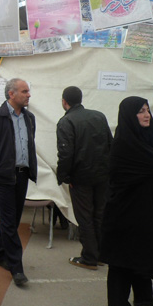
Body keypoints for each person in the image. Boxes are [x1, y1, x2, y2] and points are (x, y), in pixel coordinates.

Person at [100, 97, 153, 306]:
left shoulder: (146, 137)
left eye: (147, 110)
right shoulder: (124, 144)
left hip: (145, 209)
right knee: (124, 256)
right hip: (125, 212)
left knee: (142, 251)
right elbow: (141, 169)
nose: (146, 115)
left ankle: (144, 297)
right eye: (140, 111)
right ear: (130, 116)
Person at [0, 78, 37, 287]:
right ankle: (16, 267)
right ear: (11, 94)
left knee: (13, 219)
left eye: (28, 91)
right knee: (10, 221)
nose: (28, 95)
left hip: (22, 174)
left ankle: (1, 255)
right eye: (24, 91)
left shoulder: (30, 118)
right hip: (3, 176)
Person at [56, 86, 112, 270]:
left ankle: (89, 257)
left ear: (64, 102)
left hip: (80, 178)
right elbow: (110, 144)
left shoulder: (66, 122)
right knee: (100, 214)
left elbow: (66, 153)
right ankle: (101, 254)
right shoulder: (99, 116)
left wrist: (64, 176)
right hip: (102, 175)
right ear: (81, 99)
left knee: (85, 217)